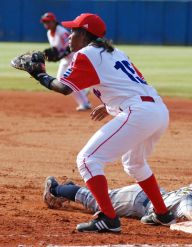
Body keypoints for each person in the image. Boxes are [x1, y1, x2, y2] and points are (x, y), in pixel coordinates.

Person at [23, 13, 175, 233]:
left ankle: (108, 219)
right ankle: (163, 214)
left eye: (74, 31)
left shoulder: (86, 54)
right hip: (158, 110)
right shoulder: (116, 52)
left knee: (87, 159)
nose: (69, 37)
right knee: (135, 164)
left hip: (140, 112)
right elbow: (133, 84)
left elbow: (65, 88)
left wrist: (38, 74)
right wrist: (110, 106)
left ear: (84, 34)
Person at [43, 168, 192, 223]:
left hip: (151, 197)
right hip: (136, 200)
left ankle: (70, 188)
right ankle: (56, 189)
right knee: (95, 201)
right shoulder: (189, 201)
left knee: (98, 198)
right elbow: (191, 213)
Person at [40, 12, 91, 111]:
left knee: (68, 82)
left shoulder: (61, 32)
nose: (46, 24)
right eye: (44, 22)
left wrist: (60, 55)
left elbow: (71, 45)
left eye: (48, 21)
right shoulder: (49, 33)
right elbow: (56, 48)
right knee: (60, 80)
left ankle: (85, 103)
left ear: (54, 21)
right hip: (65, 59)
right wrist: (54, 54)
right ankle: (83, 91)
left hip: (73, 57)